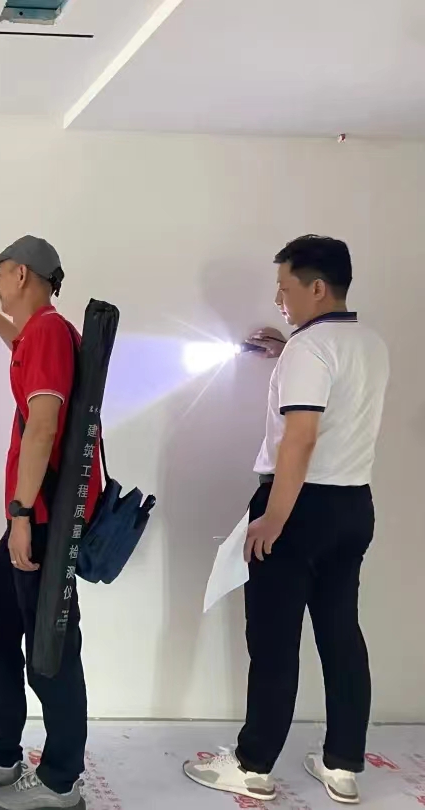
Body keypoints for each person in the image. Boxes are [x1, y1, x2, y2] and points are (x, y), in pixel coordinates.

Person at [184, 235, 389, 805]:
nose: (279, 300)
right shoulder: (368, 343)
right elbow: (336, 394)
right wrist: (288, 351)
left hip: (298, 508)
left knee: (274, 641)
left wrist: (274, 517)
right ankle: (343, 765)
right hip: (353, 507)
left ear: (316, 288)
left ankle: (252, 767)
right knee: (341, 635)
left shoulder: (309, 349)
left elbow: (300, 438)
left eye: (285, 288)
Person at [0, 236, 100, 810]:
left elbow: (44, 425)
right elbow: (24, 352)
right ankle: (4, 752)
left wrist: (22, 514)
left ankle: (60, 781)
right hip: (37, 514)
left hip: (43, 517)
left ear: (24, 275)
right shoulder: (43, 333)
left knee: (51, 650)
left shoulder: (49, 332)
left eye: (1, 275)